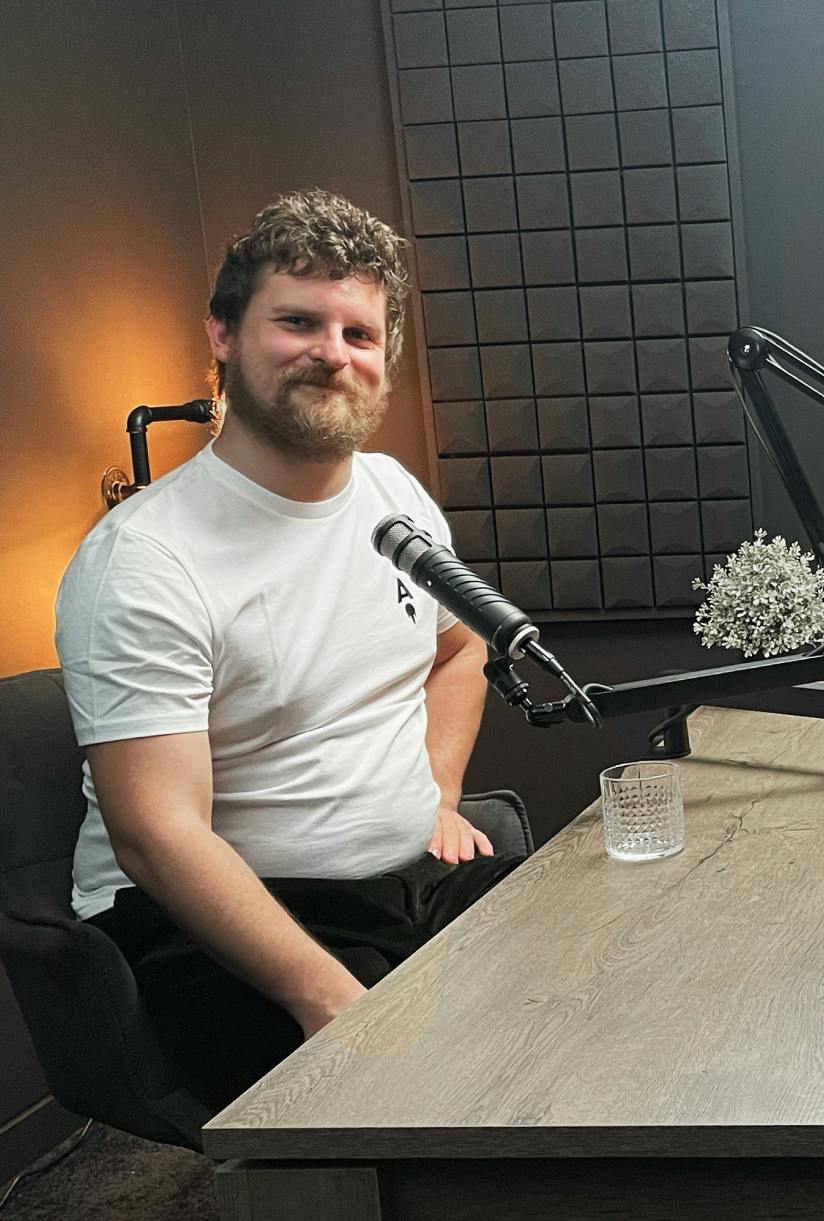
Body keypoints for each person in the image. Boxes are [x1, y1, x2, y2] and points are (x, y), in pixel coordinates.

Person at [54, 189, 521, 1108]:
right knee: (434, 1101)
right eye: (297, 321)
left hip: (398, 885)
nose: (330, 353)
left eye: (357, 334)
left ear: (384, 362)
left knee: (589, 970)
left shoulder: (392, 494)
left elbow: (461, 648)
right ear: (223, 335)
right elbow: (157, 833)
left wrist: (438, 791)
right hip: (217, 926)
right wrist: (329, 1000)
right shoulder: (147, 559)